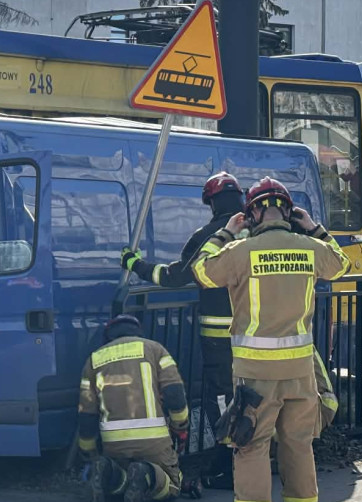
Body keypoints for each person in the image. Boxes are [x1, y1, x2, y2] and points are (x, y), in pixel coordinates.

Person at [190, 178, 351, 502]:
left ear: (252, 214)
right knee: (298, 445)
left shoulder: (241, 251)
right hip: (300, 373)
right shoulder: (310, 248)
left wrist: (226, 233)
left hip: (256, 375)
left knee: (251, 445)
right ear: (289, 212)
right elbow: (342, 264)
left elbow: (201, 271)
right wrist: (314, 228)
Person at [119, 171, 243, 488]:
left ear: (212, 202)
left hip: (219, 338)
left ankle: (229, 467)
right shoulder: (258, 234)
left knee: (223, 399)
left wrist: (134, 264)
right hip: (258, 337)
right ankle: (259, 459)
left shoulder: (210, 235)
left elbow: (174, 276)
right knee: (256, 396)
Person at [78, 315, 190, 502]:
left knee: (121, 481)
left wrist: (89, 453)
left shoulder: (94, 360)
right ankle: (146, 473)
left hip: (114, 445)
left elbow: (87, 413)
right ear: (137, 331)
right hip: (153, 441)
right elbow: (174, 394)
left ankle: (105, 469)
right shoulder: (154, 349)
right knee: (171, 484)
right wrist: (180, 427)